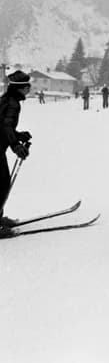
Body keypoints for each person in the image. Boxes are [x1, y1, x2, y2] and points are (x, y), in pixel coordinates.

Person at [0, 71, 33, 239]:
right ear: (22, 88)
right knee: (2, 184)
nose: (30, 89)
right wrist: (15, 145)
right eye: (28, 87)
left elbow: (4, 125)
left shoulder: (6, 99)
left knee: (2, 183)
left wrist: (19, 135)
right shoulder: (13, 103)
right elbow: (5, 127)